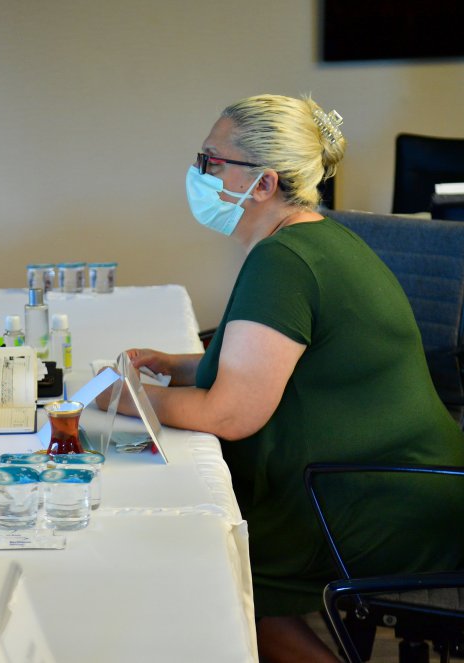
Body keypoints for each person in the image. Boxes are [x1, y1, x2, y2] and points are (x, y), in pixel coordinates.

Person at [103, 94, 464, 662]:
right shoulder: (315, 236)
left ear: (264, 183)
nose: (198, 173)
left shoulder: (284, 261)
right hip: (406, 480)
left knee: (209, 558)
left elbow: (230, 414)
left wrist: (126, 398)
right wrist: (178, 366)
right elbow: (279, 358)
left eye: (211, 161)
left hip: (382, 499)